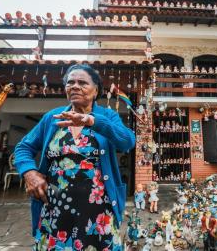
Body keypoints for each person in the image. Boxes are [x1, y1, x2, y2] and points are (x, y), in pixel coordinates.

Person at [14, 64, 135, 250]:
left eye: (82, 82)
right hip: (55, 209)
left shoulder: (107, 116)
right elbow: (23, 147)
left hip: (98, 211)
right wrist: (29, 173)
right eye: (70, 82)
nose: (75, 86)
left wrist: (94, 121)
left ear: (95, 91)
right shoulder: (52, 118)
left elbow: (127, 142)